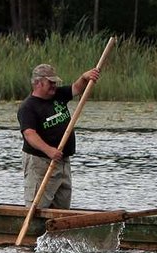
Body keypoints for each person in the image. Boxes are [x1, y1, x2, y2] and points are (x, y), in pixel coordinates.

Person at [17, 63, 100, 209]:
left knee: (62, 208)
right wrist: (49, 150)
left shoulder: (58, 95)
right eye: (50, 82)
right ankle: (34, 231)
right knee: (38, 207)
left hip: (62, 161)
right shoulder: (28, 107)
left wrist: (85, 77)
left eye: (55, 82)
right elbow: (29, 134)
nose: (54, 85)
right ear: (38, 82)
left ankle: (58, 232)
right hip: (40, 163)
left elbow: (76, 88)